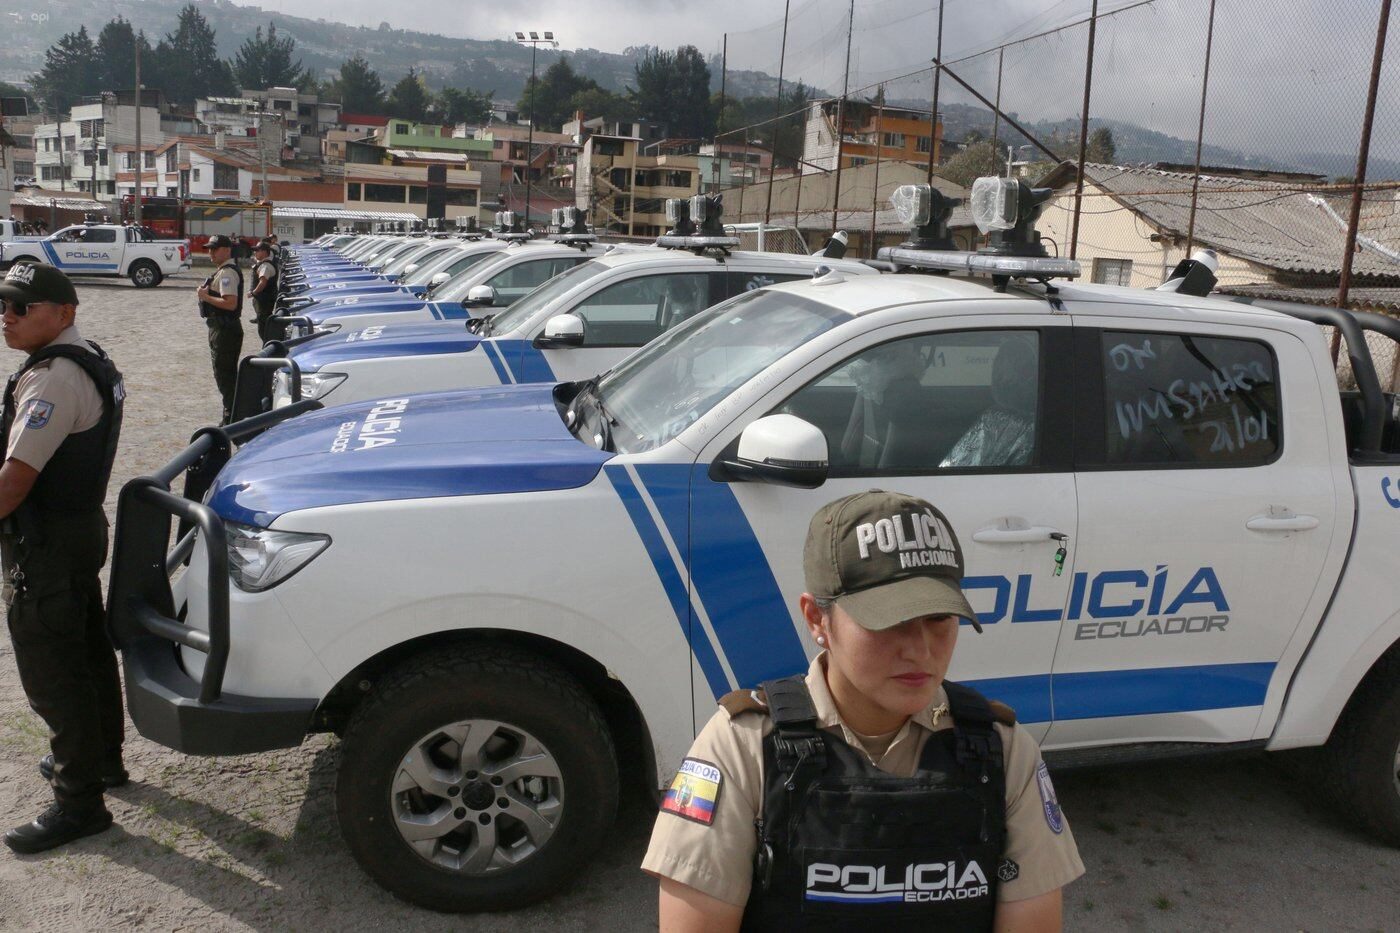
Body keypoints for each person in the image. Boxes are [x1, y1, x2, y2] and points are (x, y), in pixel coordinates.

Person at [644, 490, 1084, 932]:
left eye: (939, 619)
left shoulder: (1003, 752)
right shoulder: (742, 746)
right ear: (818, 619)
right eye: (890, 620)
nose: (921, 650)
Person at [0, 261, 127, 854]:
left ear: (63, 313)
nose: (7, 316)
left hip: (46, 542)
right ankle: (102, 762)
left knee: (54, 673)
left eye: (21, 307)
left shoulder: (53, 378)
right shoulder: (87, 357)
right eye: (4, 305)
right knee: (87, 652)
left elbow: (15, 480)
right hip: (77, 531)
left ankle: (80, 803)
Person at [196, 234, 244, 424]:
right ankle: (232, 415)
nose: (211, 253)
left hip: (225, 329)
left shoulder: (227, 273)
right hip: (221, 328)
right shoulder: (223, 271)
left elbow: (230, 303)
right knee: (225, 374)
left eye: (214, 249)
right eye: (209, 249)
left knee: (225, 376)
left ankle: (231, 418)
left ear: (226, 250)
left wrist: (204, 296)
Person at [249, 240, 279, 345]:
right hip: (264, 300)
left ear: (265, 252)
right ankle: (268, 345)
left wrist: (253, 292)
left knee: (263, 328)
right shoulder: (263, 264)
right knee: (264, 325)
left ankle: (269, 347)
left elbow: (262, 282)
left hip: (264, 300)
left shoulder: (265, 266)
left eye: (257, 251)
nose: (255, 253)